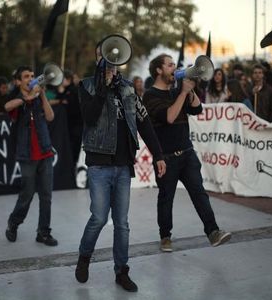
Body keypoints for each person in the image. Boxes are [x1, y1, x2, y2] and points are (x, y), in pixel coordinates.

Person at [75, 37, 166, 293]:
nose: (110, 64)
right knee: (99, 218)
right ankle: (84, 257)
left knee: (122, 223)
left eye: (114, 60)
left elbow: (144, 122)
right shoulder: (87, 86)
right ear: (97, 60)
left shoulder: (128, 89)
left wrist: (159, 154)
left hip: (124, 166)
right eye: (103, 58)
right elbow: (90, 117)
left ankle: (122, 271)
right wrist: (102, 87)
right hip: (99, 165)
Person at [142, 54, 231, 253]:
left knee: (199, 193)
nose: (175, 67)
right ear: (158, 70)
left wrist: (189, 91)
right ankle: (165, 236)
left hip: (187, 153)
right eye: (170, 65)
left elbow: (197, 109)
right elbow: (169, 117)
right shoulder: (150, 96)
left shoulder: (178, 91)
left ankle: (213, 231)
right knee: (166, 198)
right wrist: (182, 93)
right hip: (166, 157)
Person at [4, 66, 58, 247]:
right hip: (27, 155)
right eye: (26, 76)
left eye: (33, 76)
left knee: (46, 196)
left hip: (45, 152)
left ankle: (43, 232)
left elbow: (50, 117)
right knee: (27, 194)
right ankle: (14, 222)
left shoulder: (37, 97)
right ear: (18, 81)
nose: (31, 79)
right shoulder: (17, 98)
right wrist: (26, 98)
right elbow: (7, 106)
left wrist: (41, 95)